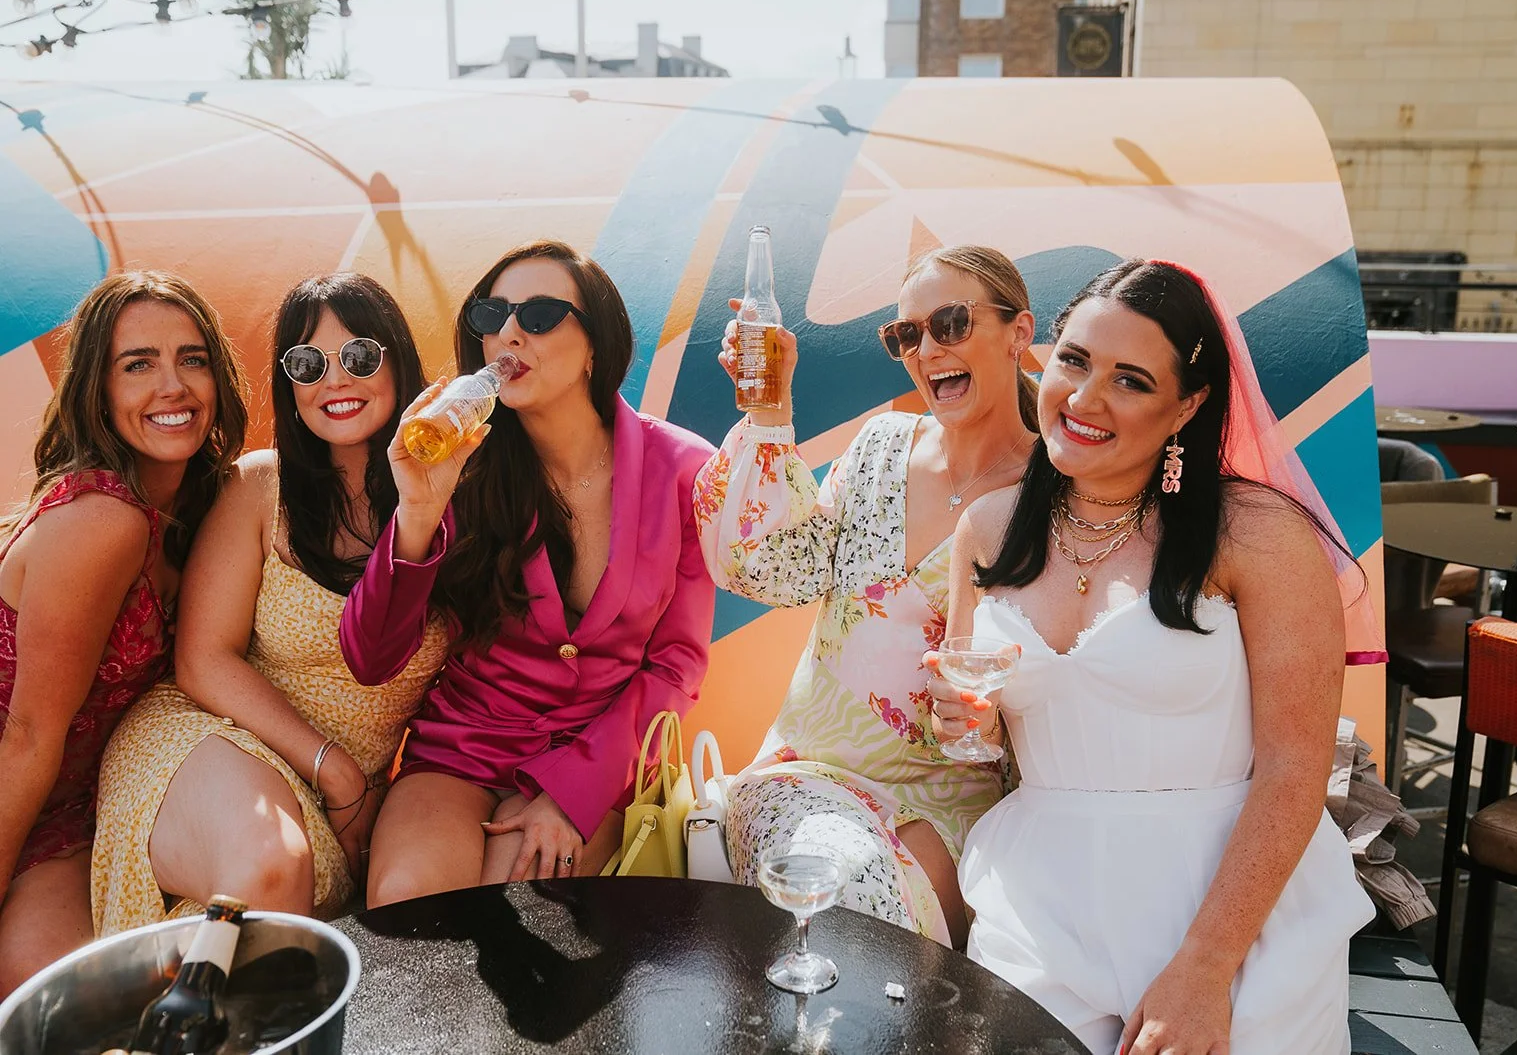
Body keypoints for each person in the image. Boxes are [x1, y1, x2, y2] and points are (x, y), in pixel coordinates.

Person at [939, 258, 1377, 1055]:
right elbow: (982, 732)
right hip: (1041, 901)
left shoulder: (1258, 535)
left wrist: (1206, 967)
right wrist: (962, 724)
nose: (1084, 397)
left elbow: (1294, 769)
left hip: (1231, 910)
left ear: (1189, 406)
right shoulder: (987, 528)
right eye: (1073, 360)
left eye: (1131, 380)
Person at [340, 240, 715, 906]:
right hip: (460, 752)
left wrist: (575, 795)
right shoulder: (463, 462)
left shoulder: (684, 470)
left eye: (540, 314)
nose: (509, 332)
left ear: (597, 343)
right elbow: (371, 659)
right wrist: (418, 514)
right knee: (409, 911)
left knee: (520, 912)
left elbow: (675, 666)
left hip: (593, 756)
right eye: (492, 314)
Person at [693, 245, 1040, 946]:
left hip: (957, 794)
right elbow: (775, 571)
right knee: (845, 893)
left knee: (884, 949)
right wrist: (769, 411)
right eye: (906, 335)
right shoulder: (881, 445)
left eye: (950, 321)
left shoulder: (1055, 493)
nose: (927, 347)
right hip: (810, 775)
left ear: (1019, 333)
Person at [92, 274, 449, 934]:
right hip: (207, 737)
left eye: (361, 357)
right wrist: (334, 769)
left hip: (336, 809)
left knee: (221, 939)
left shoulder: (457, 492)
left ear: (399, 360)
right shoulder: (262, 483)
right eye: (308, 363)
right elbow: (201, 660)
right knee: (268, 864)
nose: (335, 380)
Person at [0, 271, 247, 994]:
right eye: (138, 364)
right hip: (18, 771)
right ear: (97, 392)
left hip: (77, 805)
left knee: (68, 996)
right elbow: (27, 737)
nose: (173, 385)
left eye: (192, 358)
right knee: (43, 987)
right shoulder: (103, 520)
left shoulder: (207, 507)